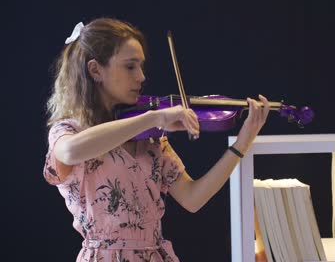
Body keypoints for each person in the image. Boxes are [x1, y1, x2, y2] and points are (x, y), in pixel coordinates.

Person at [43, 18, 270, 262]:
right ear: (96, 70)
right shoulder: (68, 130)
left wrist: (241, 144)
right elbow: (69, 152)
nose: (141, 76)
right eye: (130, 67)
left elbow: (193, 198)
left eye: (141, 66)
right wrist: (153, 118)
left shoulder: (150, 140)